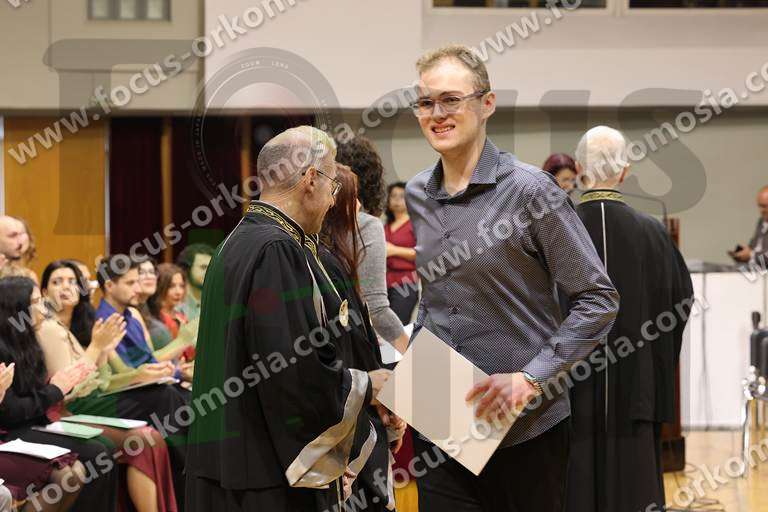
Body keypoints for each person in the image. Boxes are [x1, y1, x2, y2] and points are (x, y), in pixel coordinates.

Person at [404, 44, 619, 512]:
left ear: (487, 104)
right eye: (425, 102)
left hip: (526, 431)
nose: (437, 114)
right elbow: (435, 301)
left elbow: (598, 299)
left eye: (451, 99)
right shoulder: (418, 192)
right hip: (439, 419)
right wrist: (408, 381)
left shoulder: (531, 191)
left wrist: (532, 379)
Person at [186, 126, 391, 512]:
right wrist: (367, 384)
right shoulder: (278, 249)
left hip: (223, 466)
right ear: (311, 179)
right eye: (332, 183)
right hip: (263, 474)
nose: (333, 198)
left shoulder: (234, 242)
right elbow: (294, 372)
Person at [567, 126, 694, 512]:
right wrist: (655, 366)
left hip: (569, 394)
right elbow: (681, 302)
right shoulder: (655, 234)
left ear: (578, 169)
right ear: (625, 171)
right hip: (638, 389)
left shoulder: (556, 230)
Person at [319, 163, 406, 511]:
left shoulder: (309, 251)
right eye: (353, 198)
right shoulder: (362, 233)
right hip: (354, 387)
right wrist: (414, 357)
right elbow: (378, 311)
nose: (359, 207)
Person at [0, 276, 119, 511]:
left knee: (103, 450)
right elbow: (11, 412)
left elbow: (42, 394)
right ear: (17, 309)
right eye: (36, 302)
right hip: (12, 430)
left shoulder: (29, 340)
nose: (44, 307)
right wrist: (56, 389)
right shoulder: (7, 347)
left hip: (35, 421)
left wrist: (57, 388)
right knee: (88, 460)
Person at [337, 136, 410, 354]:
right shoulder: (367, 225)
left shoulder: (314, 226)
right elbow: (376, 308)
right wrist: (411, 353)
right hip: (349, 343)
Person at [384, 182, 418, 325]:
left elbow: (424, 252)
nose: (397, 200)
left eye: (402, 196)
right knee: (383, 329)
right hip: (385, 283)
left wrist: (394, 250)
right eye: (393, 196)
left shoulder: (415, 224)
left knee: (397, 327)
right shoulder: (385, 226)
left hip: (406, 282)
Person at [41, 260, 97, 348]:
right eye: (57, 282)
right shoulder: (42, 326)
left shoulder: (88, 318)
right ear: (45, 293)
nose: (66, 286)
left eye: (73, 282)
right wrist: (97, 346)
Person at [148, 263, 189, 341]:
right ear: (159, 287)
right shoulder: (155, 321)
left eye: (181, 286)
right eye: (171, 286)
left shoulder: (181, 316)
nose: (178, 292)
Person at [175, 244, 213, 323]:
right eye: (203, 267)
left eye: (211, 267)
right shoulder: (174, 302)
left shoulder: (216, 303)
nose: (209, 272)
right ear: (186, 269)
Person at [731, 185, 768, 264]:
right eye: (760, 206)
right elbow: (753, 245)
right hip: (754, 267)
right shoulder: (761, 222)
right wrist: (744, 252)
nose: (761, 210)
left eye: (764, 206)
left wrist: (751, 255)